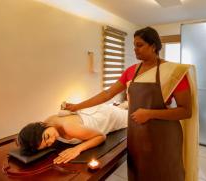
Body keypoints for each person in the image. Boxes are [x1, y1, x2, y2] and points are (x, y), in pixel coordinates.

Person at [65, 27, 199, 181]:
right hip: (137, 135)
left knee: (164, 173)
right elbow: (107, 94)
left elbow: (186, 111)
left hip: (164, 137)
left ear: (153, 46)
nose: (135, 49)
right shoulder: (131, 72)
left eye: (139, 45)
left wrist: (150, 113)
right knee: (140, 174)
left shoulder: (173, 72)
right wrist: (76, 107)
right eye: (134, 45)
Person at [18, 104, 127, 164]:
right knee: (120, 108)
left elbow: (101, 136)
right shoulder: (47, 123)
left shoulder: (69, 127)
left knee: (130, 115)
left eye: (46, 137)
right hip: (94, 114)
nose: (51, 141)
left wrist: (77, 149)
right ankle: (121, 106)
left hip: (107, 118)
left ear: (42, 127)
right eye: (47, 145)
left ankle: (122, 107)